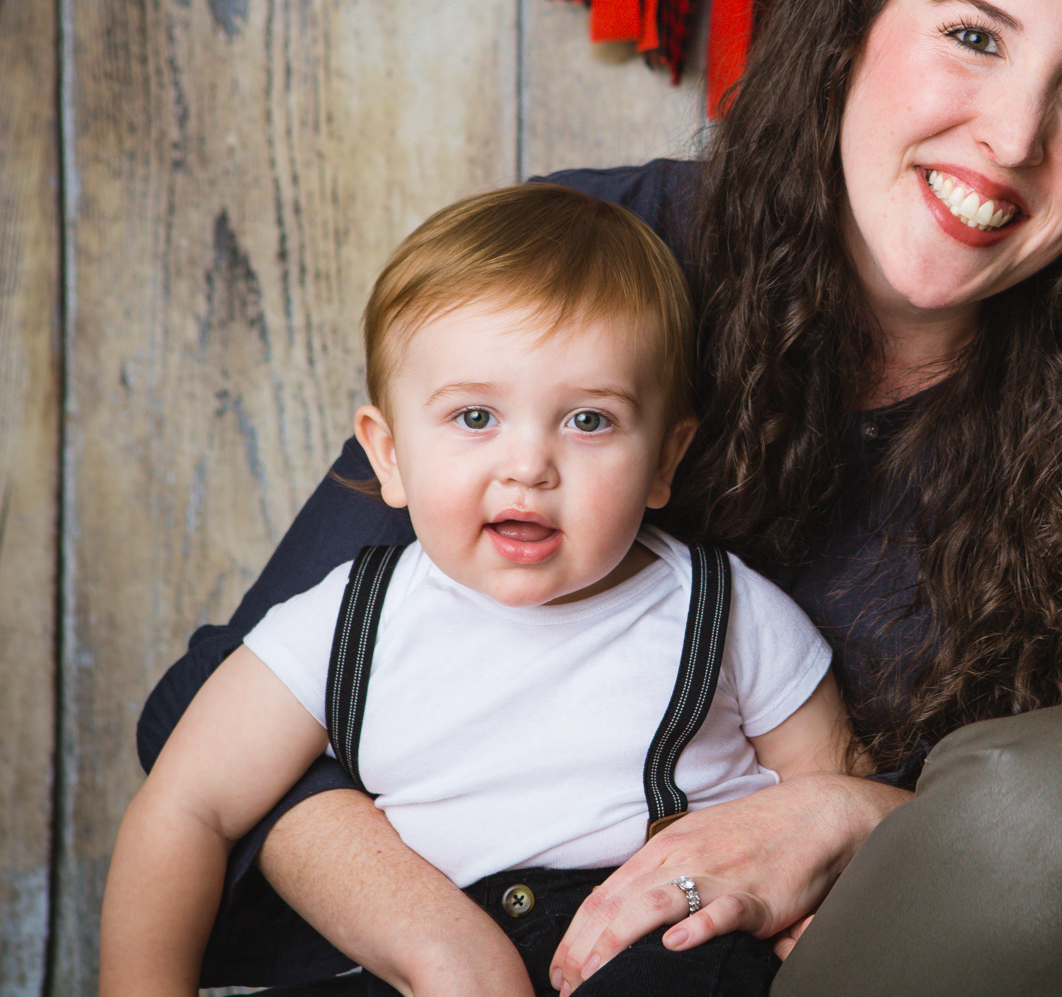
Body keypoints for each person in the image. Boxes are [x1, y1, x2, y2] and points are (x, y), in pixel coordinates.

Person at [135, 0, 1062, 997]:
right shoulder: (599, 270)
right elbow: (213, 708)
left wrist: (848, 814)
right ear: (852, 26)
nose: (1009, 137)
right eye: (973, 36)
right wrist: (443, 947)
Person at [101, 183, 853, 996]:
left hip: (658, 949)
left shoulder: (725, 611)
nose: (528, 466)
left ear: (665, 460)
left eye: (589, 421)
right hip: (429, 965)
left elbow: (832, 808)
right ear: (389, 454)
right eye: (475, 418)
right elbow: (187, 807)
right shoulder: (348, 622)